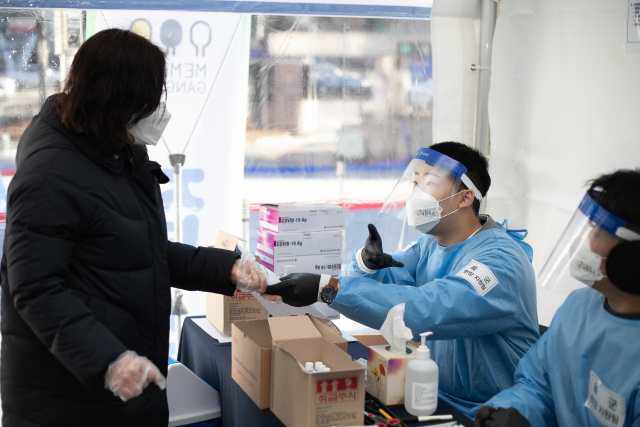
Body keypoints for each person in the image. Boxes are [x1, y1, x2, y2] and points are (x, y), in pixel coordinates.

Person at [0, 29, 266, 426]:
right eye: (149, 99)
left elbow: (143, 251)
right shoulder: (50, 175)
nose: (157, 109)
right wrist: (108, 360)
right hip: (66, 398)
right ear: (117, 100)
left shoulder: (119, 154)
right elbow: (35, 287)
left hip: (118, 393)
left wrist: (224, 268)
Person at [265, 142, 540, 417]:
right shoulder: (431, 245)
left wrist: (327, 289)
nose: (416, 194)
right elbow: (392, 281)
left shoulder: (501, 262)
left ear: (465, 198)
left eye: (429, 183)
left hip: (496, 413)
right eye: (415, 182)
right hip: (435, 396)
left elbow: (429, 309)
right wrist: (366, 263)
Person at [474, 169, 640, 427]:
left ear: (632, 255)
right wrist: (512, 412)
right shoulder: (579, 306)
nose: (583, 242)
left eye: (597, 231)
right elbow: (538, 384)